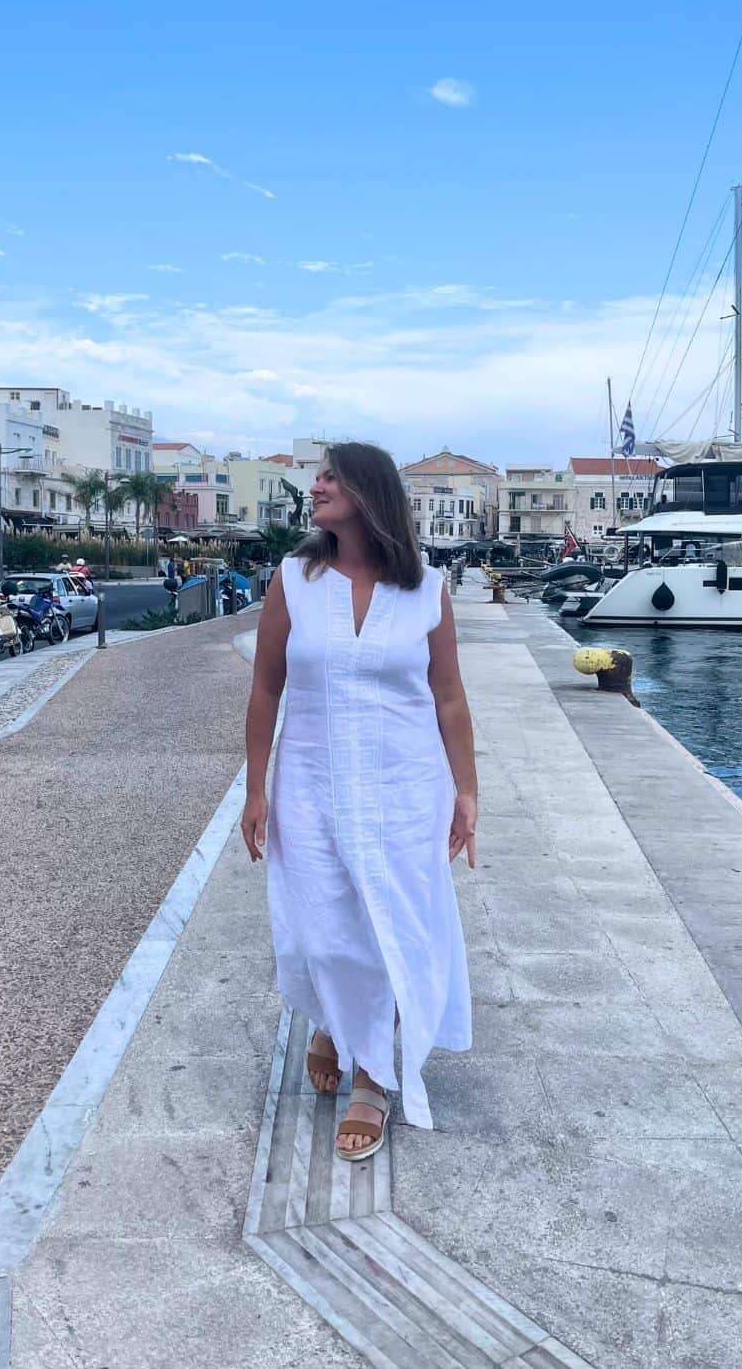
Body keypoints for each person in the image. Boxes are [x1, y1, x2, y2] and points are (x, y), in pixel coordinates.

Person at [242, 442, 477, 1161]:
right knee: (322, 926)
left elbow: (448, 697)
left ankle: (372, 1075)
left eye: (331, 477)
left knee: (386, 925)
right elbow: (265, 687)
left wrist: (467, 790)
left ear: (369, 493)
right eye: (317, 477)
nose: (315, 487)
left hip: (405, 786)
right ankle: (333, 1023)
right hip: (309, 779)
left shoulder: (426, 588)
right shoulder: (293, 580)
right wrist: (255, 786)